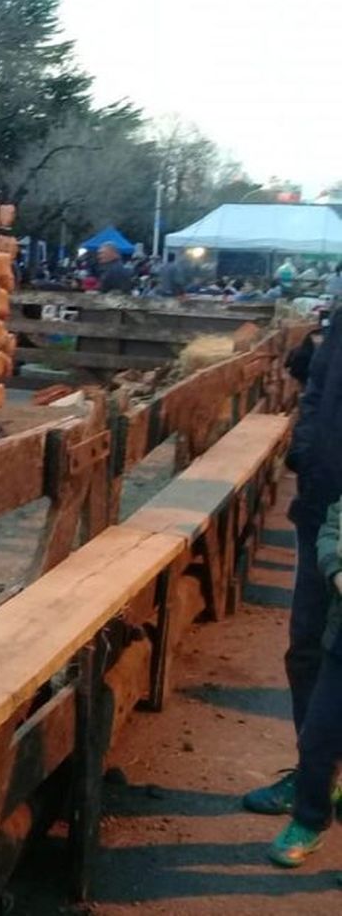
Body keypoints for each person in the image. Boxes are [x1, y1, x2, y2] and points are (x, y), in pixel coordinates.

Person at [244, 315, 342, 861]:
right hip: (324, 506)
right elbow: (319, 388)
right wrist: (305, 454)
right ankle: (314, 776)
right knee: (307, 648)